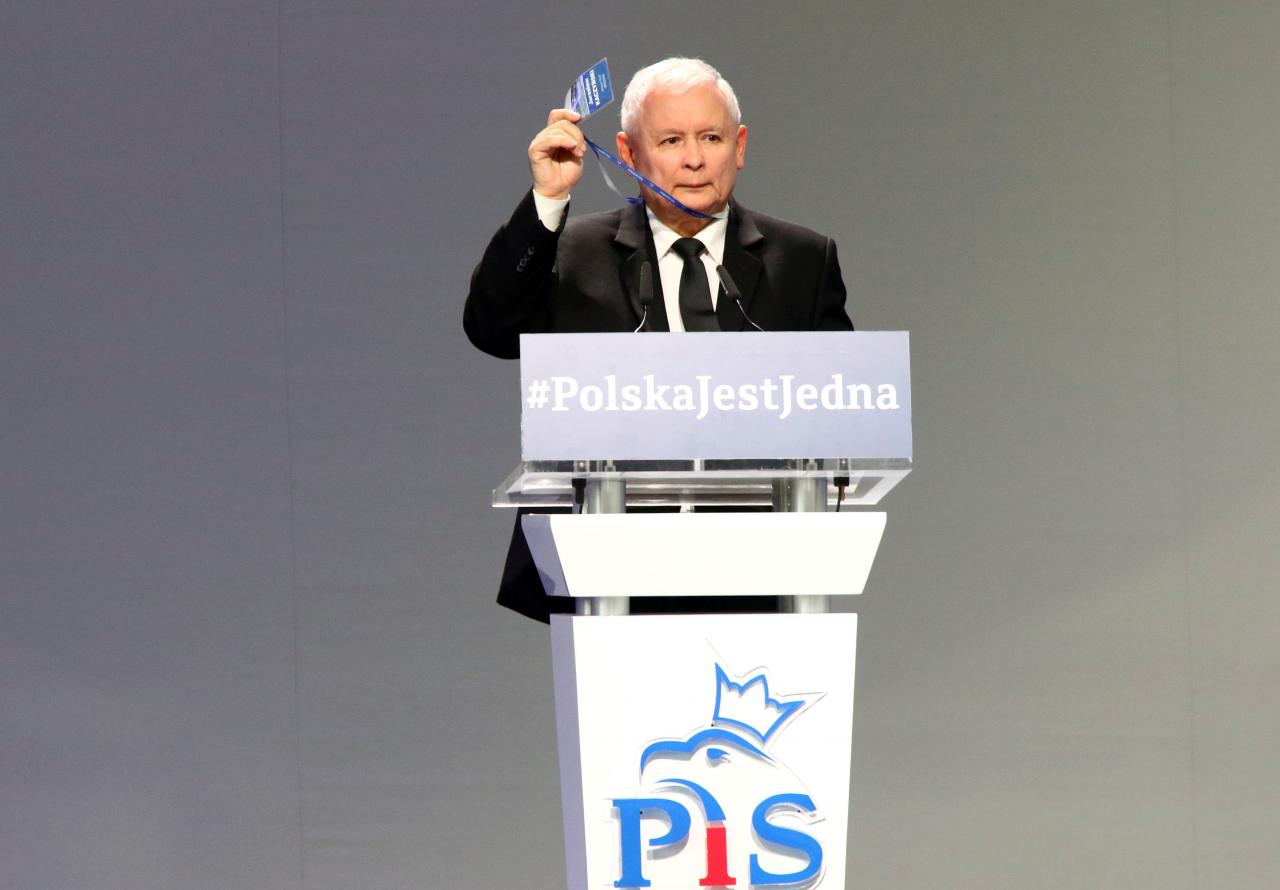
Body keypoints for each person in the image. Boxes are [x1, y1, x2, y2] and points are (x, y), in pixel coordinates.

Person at [465, 58, 854, 621]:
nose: (694, 158)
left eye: (711, 137)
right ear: (627, 154)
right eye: (670, 140)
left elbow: (841, 416)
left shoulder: (803, 259)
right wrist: (548, 199)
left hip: (761, 570)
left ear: (739, 146)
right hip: (605, 571)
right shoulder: (571, 253)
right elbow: (491, 328)